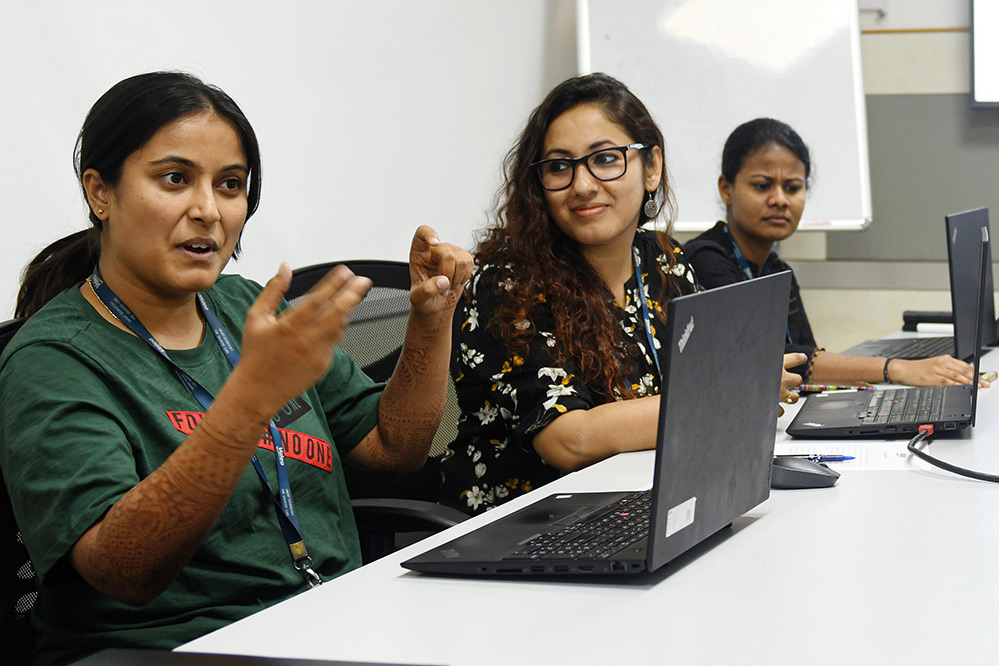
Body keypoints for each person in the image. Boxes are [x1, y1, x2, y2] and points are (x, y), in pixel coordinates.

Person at [0, 71, 472, 665]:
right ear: (101, 192)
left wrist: (430, 323)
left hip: (336, 621)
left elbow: (392, 449)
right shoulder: (52, 359)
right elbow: (124, 569)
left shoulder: (246, 305)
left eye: (230, 185)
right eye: (175, 179)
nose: (207, 210)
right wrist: (249, 400)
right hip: (173, 649)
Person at [439, 74, 800, 515]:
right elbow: (570, 440)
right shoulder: (507, 283)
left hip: (642, 502)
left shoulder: (664, 261)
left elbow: (711, 374)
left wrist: (738, 387)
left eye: (606, 159)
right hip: (531, 527)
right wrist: (734, 393)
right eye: (559, 166)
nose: (583, 185)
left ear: (651, 168)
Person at [684, 117, 983, 388]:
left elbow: (807, 359)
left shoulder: (777, 269)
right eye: (762, 186)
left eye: (792, 187)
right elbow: (770, 358)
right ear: (727, 189)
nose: (779, 199)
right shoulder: (704, 259)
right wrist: (897, 369)